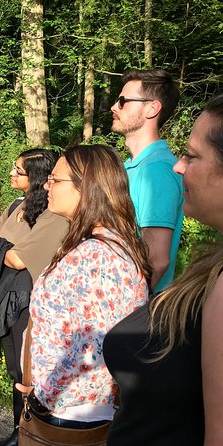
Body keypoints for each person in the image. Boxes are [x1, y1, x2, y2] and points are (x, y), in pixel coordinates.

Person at [104, 94, 223, 445]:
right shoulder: (211, 265)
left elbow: (157, 258)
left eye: (193, 155)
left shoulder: (156, 172)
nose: (179, 166)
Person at [18, 144, 150, 432]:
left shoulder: (99, 254)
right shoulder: (96, 243)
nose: (47, 185)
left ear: (86, 187)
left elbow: (93, 349)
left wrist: (44, 392)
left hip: (73, 409)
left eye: (55, 179)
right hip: (69, 404)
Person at [0, 149, 69, 446]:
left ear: (35, 177)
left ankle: (29, 434)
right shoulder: (16, 205)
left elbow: (18, 258)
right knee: (15, 367)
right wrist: (1, 250)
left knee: (27, 371)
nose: (10, 172)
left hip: (28, 300)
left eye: (17, 169)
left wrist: (1, 250)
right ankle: (19, 431)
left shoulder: (53, 216)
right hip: (6, 295)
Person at [111, 68, 183, 292]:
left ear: (152, 108)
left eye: (123, 101)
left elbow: (157, 261)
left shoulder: (157, 171)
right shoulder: (132, 166)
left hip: (134, 312)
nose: (114, 107)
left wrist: (125, 312)